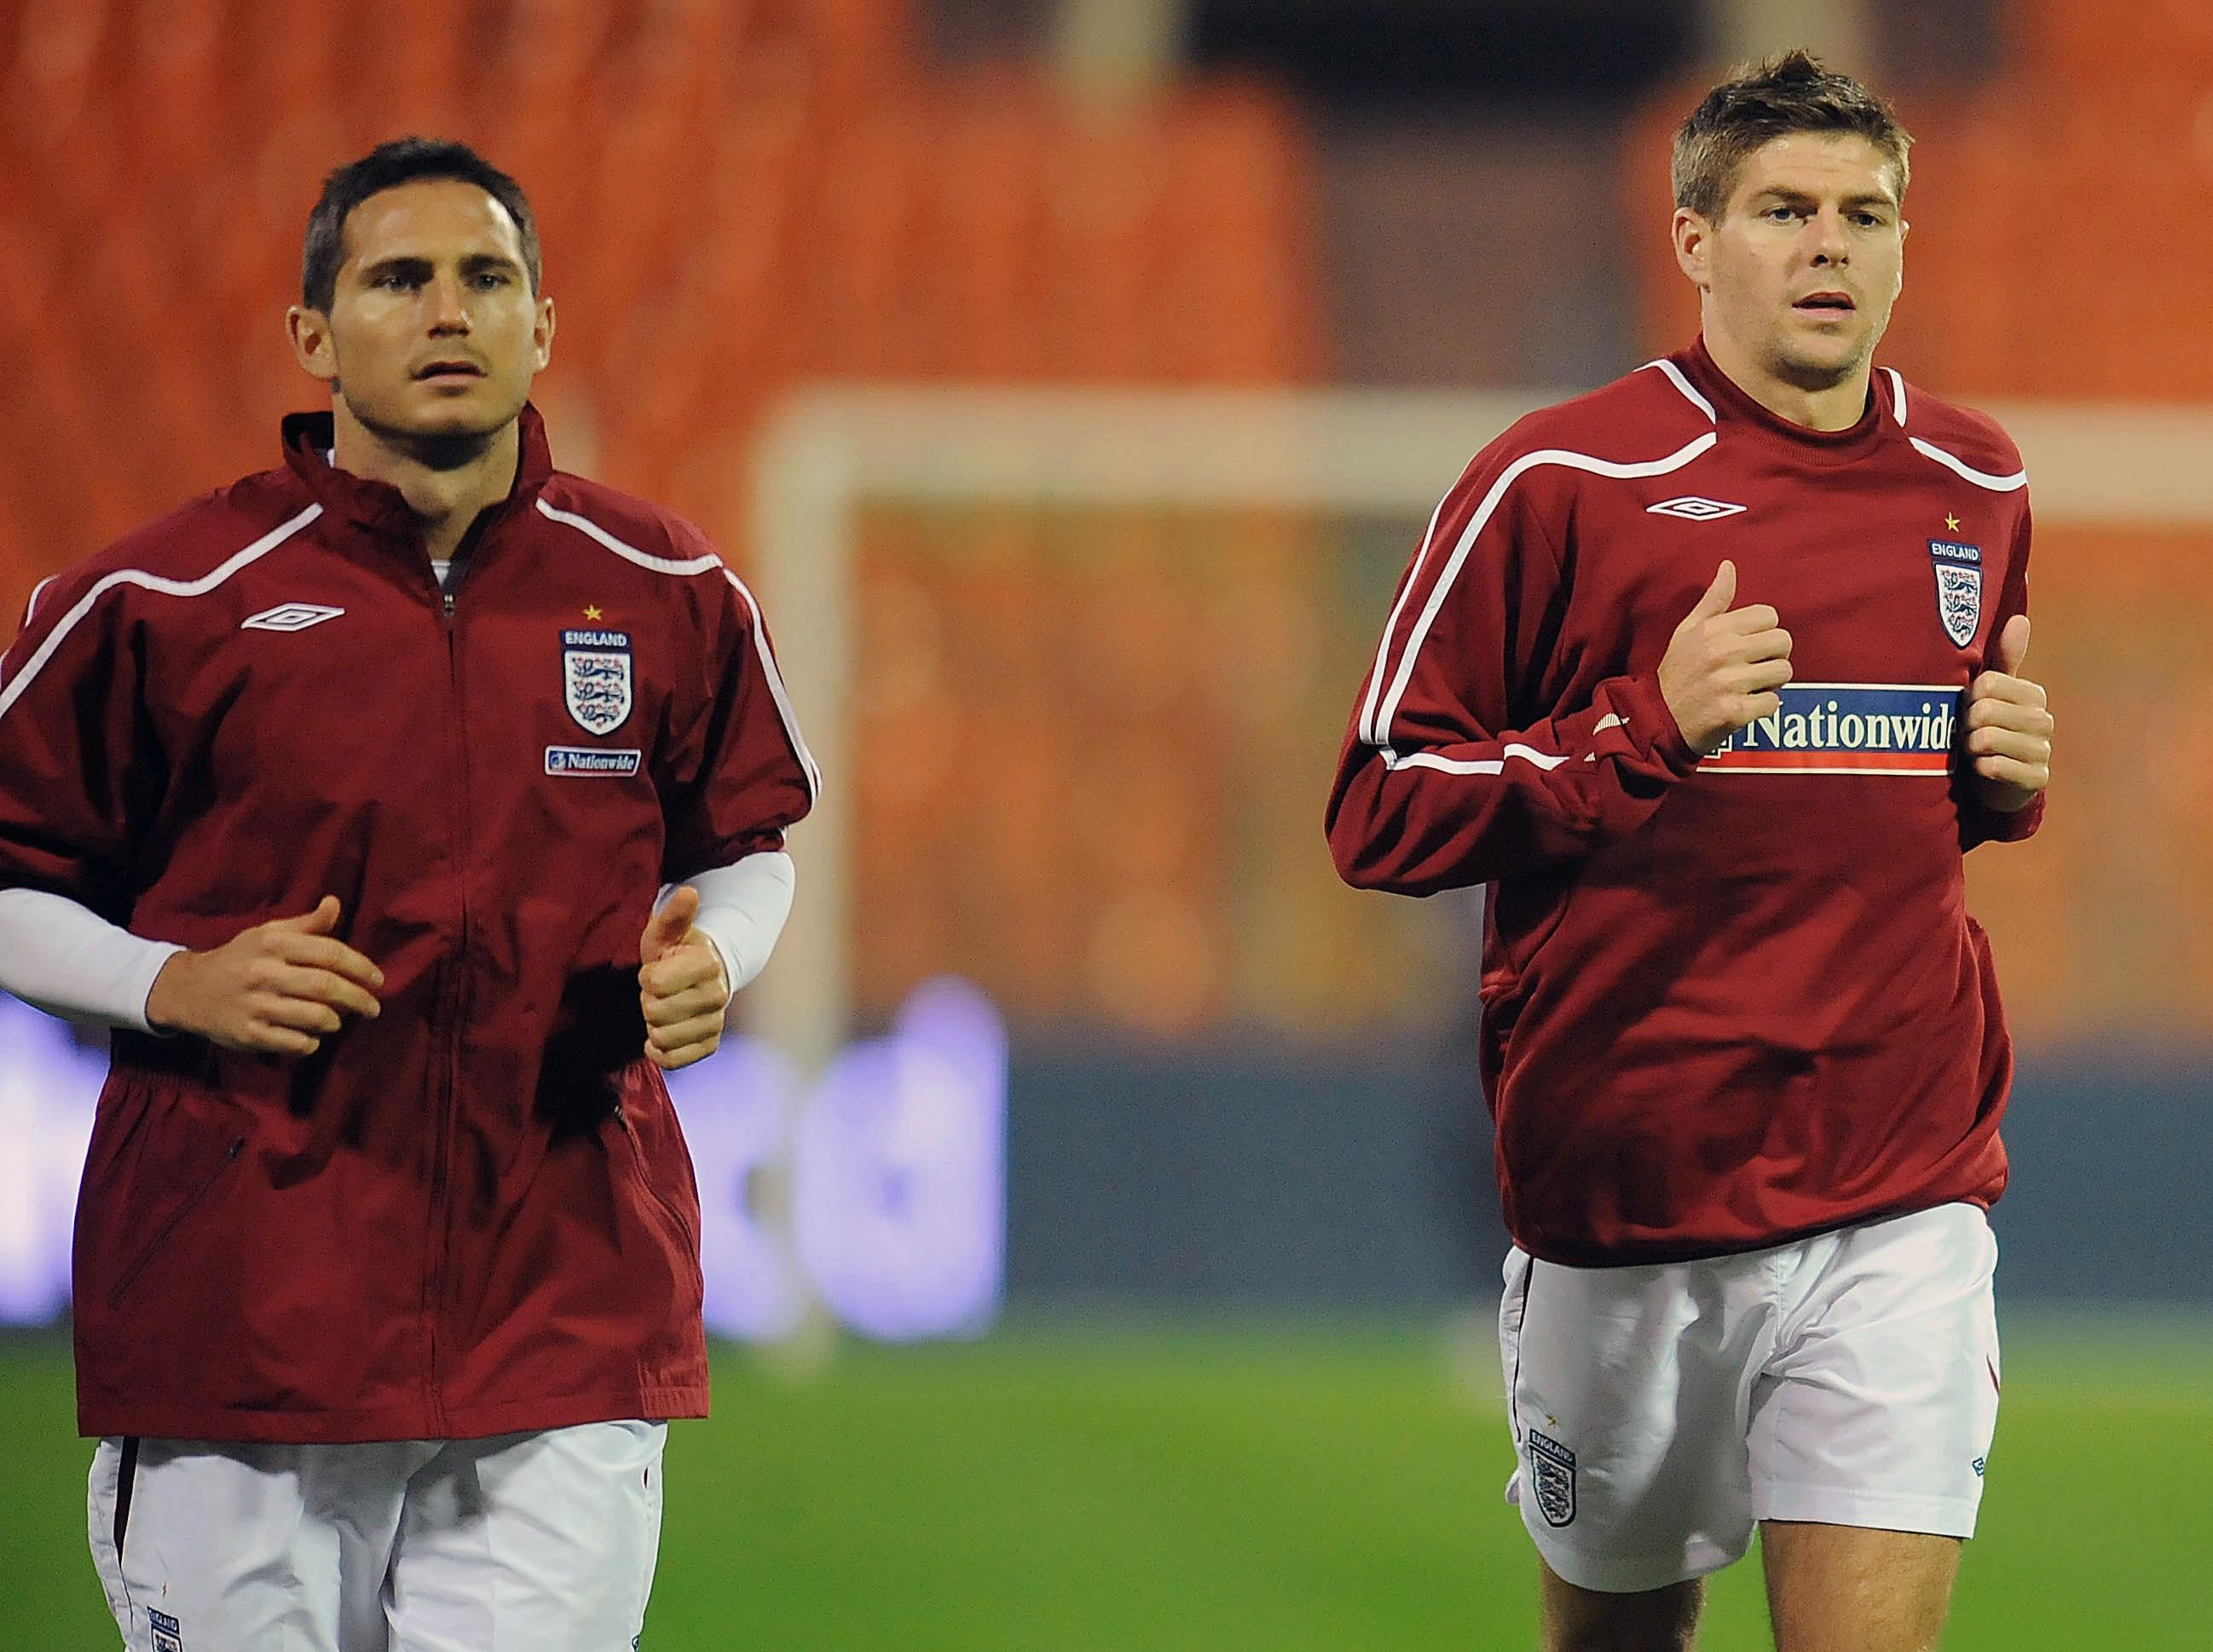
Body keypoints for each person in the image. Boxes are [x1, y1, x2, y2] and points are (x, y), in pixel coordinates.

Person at [0, 137, 818, 1650]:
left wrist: (720, 960)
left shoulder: (668, 588)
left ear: (543, 325)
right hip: (241, 1328)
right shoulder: (159, 600)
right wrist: (167, 980)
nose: (449, 311)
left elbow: (747, 848)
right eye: (399, 279)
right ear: (314, 338)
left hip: (567, 1314)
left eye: (486, 278)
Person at [1327, 52, 2052, 1652]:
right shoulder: (1561, 478)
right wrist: (1635, 730)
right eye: (1784, 208)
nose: (1829, 245)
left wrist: (2006, 782)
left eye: (1866, 213)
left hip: (1900, 1190)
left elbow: (1920, 785)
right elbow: (1378, 805)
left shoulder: (1976, 480)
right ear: (1694, 238)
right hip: (1631, 1202)